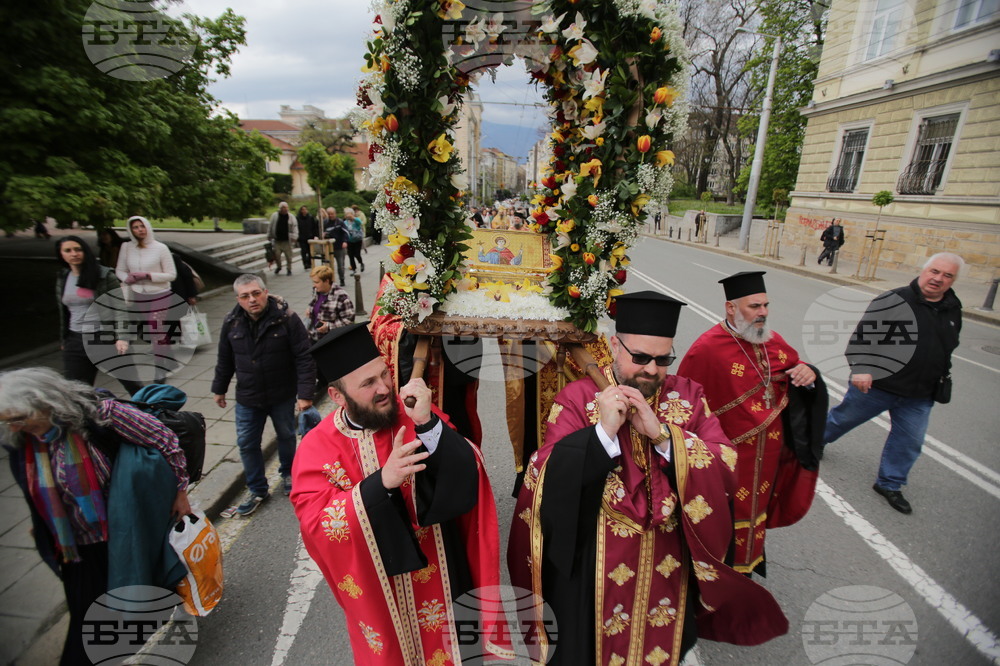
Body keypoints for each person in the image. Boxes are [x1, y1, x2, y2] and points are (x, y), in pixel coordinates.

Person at [509, 292, 788, 665]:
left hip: (669, 556)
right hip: (596, 561)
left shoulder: (689, 397)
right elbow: (545, 477)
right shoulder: (577, 399)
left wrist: (663, 436)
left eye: (663, 359)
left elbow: (726, 462)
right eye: (639, 357)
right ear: (613, 345)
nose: (652, 370)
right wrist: (602, 434)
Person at [290, 323, 509, 664]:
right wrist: (380, 484)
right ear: (337, 397)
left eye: (384, 375)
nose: (384, 389)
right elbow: (317, 524)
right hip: (381, 593)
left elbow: (469, 472)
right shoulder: (316, 448)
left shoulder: (412, 412)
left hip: (442, 574)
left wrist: (427, 424)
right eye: (368, 384)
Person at [1, 367, 190, 665]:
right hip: (76, 546)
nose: (13, 428)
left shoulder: (99, 414)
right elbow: (37, 487)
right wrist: (41, 520)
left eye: (17, 418)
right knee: (87, 617)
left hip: (121, 532)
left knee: (120, 604)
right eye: (7, 422)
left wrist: (180, 490)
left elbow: (164, 440)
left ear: (44, 402)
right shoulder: (26, 441)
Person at [678, 271, 821, 576]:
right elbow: (684, 403)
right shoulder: (707, 349)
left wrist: (808, 371)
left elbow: (793, 369)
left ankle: (749, 562)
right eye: (754, 307)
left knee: (756, 507)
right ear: (731, 308)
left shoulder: (772, 340)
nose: (763, 313)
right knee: (727, 511)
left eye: (766, 305)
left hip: (768, 454)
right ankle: (719, 571)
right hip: (729, 455)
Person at [824, 253, 963, 514]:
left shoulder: (953, 307)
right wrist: (862, 369)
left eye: (947, 275)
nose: (938, 279)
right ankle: (814, 442)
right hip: (878, 385)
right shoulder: (894, 300)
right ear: (923, 270)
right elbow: (862, 337)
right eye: (934, 271)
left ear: (953, 280)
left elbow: (949, 344)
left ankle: (890, 483)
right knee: (842, 419)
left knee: (910, 441)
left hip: (920, 393)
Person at [212, 274, 315, 511]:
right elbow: (224, 358)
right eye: (245, 296)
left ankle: (289, 474)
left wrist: (305, 394)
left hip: (282, 393)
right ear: (238, 299)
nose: (252, 300)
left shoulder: (287, 318)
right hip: (248, 396)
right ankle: (257, 489)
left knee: (286, 435)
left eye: (256, 293)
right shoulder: (231, 322)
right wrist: (219, 388)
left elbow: (304, 356)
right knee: (247, 443)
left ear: (266, 292)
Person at [55, 236, 143, 396]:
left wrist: (122, 337)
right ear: (61, 254)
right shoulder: (63, 277)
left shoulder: (103, 275)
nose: (74, 254)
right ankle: (87, 419)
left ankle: (156, 415)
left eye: (78, 249)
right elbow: (64, 311)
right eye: (68, 250)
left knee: (133, 385)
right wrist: (65, 339)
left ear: (85, 251)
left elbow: (120, 308)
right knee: (76, 391)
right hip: (75, 340)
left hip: (105, 337)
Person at [115, 216, 178, 385]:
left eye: (142, 226)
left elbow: (171, 274)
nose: (139, 230)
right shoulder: (126, 247)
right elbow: (120, 270)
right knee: (153, 331)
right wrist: (128, 278)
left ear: (147, 227)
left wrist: (149, 276)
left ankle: (160, 369)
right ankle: (169, 357)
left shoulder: (160, 248)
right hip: (138, 293)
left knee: (156, 328)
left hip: (160, 292)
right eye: (135, 227)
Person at [306, 265, 355, 342]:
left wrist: (328, 326)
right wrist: (310, 309)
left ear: (327, 281)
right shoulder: (317, 290)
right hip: (314, 337)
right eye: (313, 282)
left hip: (329, 341)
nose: (314, 285)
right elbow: (315, 304)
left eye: (317, 282)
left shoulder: (341, 297)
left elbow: (349, 322)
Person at [267, 201, 299, 276]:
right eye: (283, 207)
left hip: (287, 240)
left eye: (286, 207)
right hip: (277, 240)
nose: (285, 209)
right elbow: (270, 226)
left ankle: (289, 269)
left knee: (288, 256)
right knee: (277, 255)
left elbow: (295, 227)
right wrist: (269, 235)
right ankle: (279, 266)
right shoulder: (274, 216)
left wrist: (295, 236)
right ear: (280, 208)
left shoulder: (291, 216)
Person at [324, 207, 349, 286]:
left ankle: (342, 279)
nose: (330, 215)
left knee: (340, 265)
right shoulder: (325, 222)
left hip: (339, 247)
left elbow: (346, 232)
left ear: (335, 214)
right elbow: (320, 232)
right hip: (329, 247)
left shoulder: (340, 222)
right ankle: (330, 280)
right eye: (329, 214)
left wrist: (345, 241)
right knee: (328, 265)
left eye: (332, 214)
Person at [342, 207, 365, 275]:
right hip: (349, 241)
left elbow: (360, 222)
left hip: (357, 240)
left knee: (357, 254)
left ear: (352, 214)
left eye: (349, 214)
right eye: (347, 214)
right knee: (350, 255)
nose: (348, 216)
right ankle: (354, 269)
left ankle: (361, 263)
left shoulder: (356, 220)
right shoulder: (345, 222)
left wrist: (353, 218)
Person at [296, 205, 319, 270]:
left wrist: (315, 235)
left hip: (310, 237)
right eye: (303, 210)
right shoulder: (298, 218)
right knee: (303, 251)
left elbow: (314, 227)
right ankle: (305, 263)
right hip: (302, 237)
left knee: (310, 251)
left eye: (305, 209)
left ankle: (309, 262)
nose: (304, 211)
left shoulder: (310, 217)